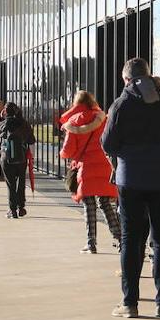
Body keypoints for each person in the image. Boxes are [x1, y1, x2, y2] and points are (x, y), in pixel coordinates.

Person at [100, 58, 160, 319]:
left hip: (130, 181)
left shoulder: (122, 104)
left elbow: (107, 144)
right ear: (149, 75)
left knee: (131, 239)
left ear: (127, 79)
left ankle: (130, 302)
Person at [61, 91, 122, 253]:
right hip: (105, 165)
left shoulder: (73, 122)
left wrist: (66, 155)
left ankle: (91, 242)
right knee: (105, 202)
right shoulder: (103, 118)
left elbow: (67, 150)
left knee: (89, 205)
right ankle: (120, 237)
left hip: (86, 168)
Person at [0, 102, 36, 218]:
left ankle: (12, 210)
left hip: (6, 157)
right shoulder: (24, 124)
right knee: (20, 183)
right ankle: (21, 207)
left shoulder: (5, 122)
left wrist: (1, 118)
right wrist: (32, 157)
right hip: (21, 157)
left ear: (5, 111)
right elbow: (31, 141)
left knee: (10, 184)